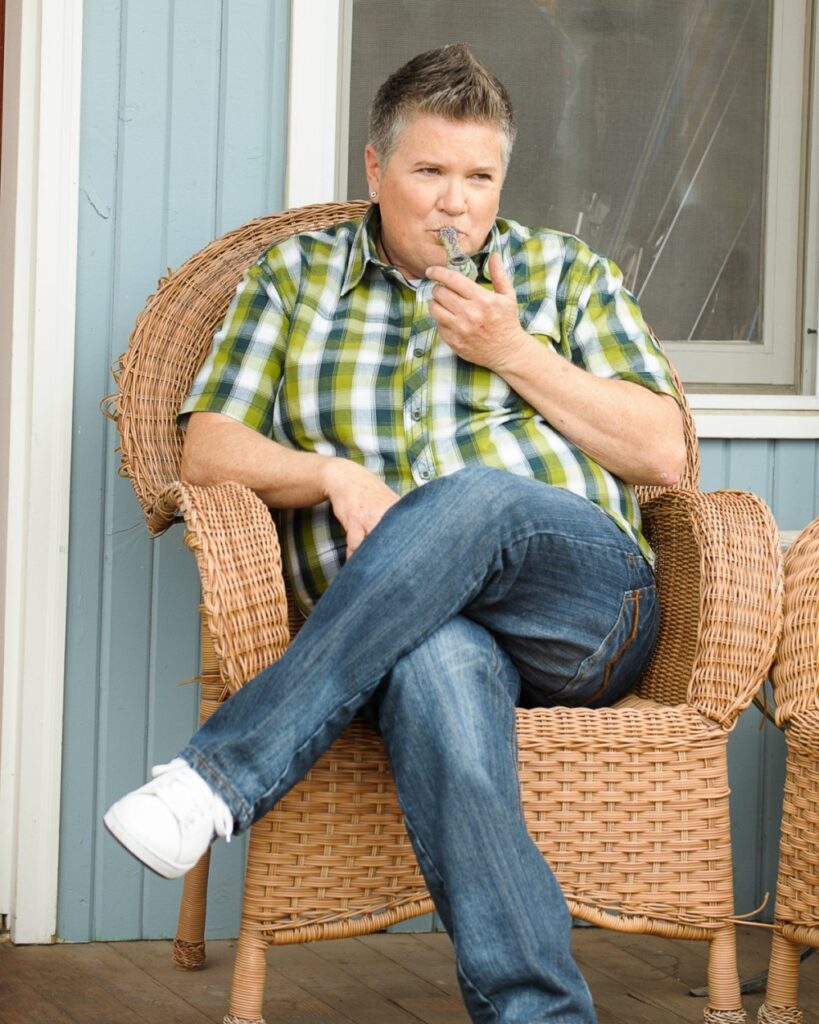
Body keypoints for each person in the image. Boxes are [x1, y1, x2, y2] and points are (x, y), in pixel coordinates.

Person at [105, 43, 686, 1024]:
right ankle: (540, 1013)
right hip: (400, 626)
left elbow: (663, 453)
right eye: (429, 173)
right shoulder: (296, 279)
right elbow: (205, 452)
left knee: (478, 497)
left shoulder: (566, 275)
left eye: (479, 178)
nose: (456, 204)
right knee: (436, 665)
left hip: (585, 607)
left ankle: (218, 778)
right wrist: (327, 473)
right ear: (374, 170)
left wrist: (511, 351)